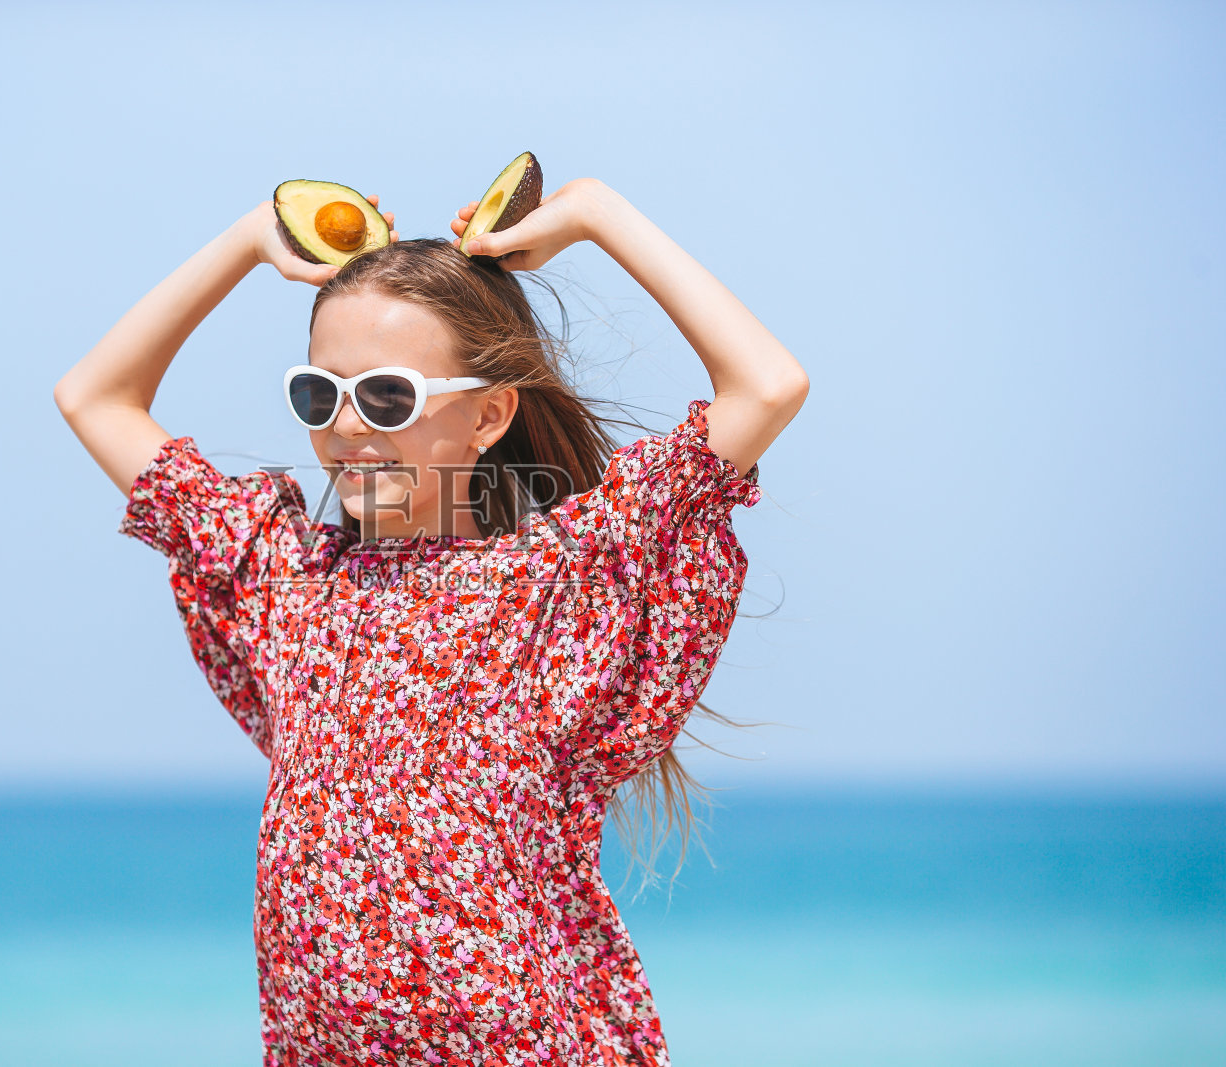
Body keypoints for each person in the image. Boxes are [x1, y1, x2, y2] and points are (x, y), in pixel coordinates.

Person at [54, 176, 808, 1066]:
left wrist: (599, 216)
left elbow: (767, 386)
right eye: (316, 395)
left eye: (387, 398)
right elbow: (93, 397)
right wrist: (251, 240)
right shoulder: (282, 575)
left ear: (489, 413)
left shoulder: (555, 583)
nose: (345, 428)